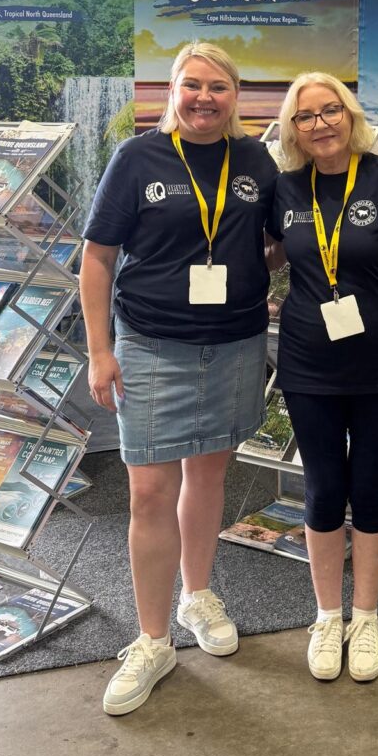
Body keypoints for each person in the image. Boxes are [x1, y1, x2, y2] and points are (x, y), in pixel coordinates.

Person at [80, 42, 278, 715]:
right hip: (151, 346)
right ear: (172, 91)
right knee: (148, 492)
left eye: (217, 87)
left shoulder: (254, 161)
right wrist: (100, 351)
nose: (204, 98)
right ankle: (153, 639)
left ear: (236, 97)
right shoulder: (137, 159)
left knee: (210, 474)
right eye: (192, 85)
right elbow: (98, 259)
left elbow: (276, 240)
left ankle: (198, 596)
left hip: (235, 343)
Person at [266, 72, 378, 683]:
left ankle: (365, 617)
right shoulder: (285, 189)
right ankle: (326, 615)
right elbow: (266, 253)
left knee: (370, 488)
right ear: (294, 128)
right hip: (309, 366)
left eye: (330, 110)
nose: (320, 124)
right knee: (320, 490)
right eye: (306, 116)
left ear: (349, 114)